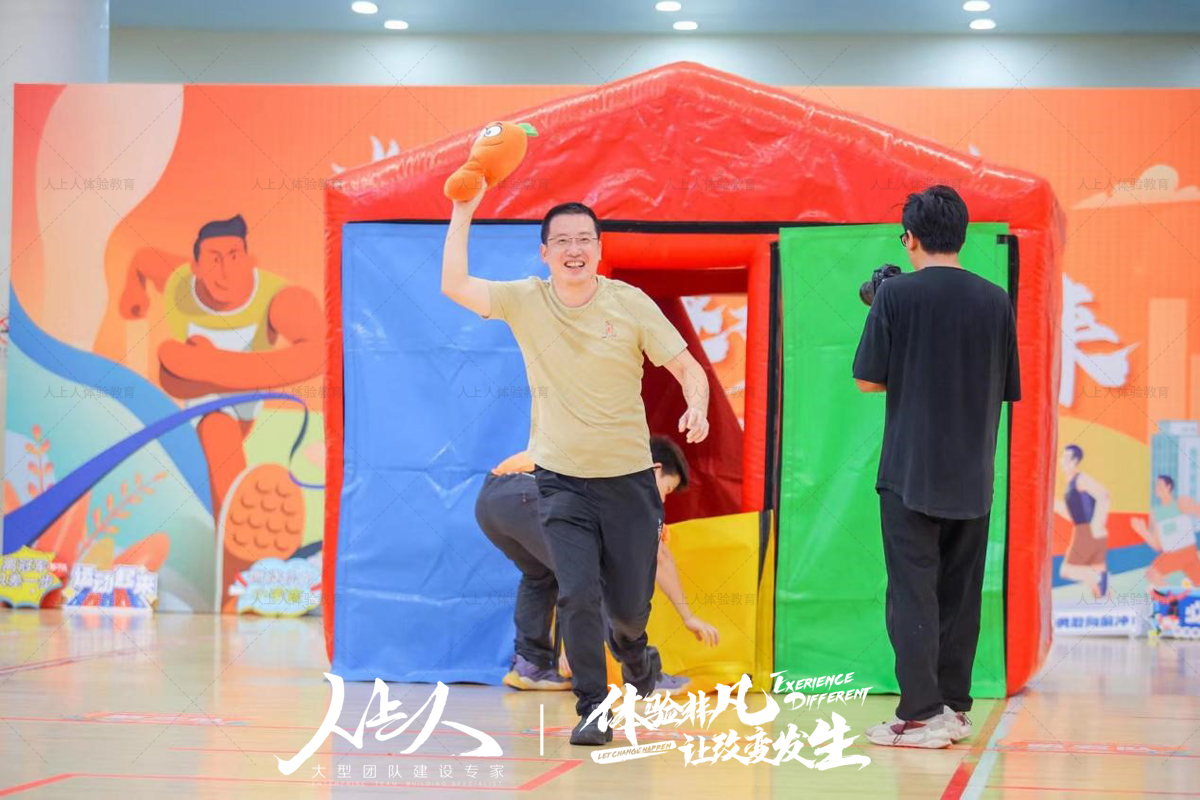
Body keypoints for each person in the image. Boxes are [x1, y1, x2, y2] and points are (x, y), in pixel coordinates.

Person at [441, 188, 710, 745]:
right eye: (561, 240)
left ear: (599, 249)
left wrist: (698, 405)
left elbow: (688, 367)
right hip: (561, 481)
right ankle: (593, 706)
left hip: (629, 482)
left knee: (628, 612)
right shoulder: (525, 299)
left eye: (584, 239)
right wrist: (463, 211)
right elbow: (455, 286)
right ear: (544, 253)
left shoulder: (629, 303)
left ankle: (636, 656)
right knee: (577, 594)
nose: (573, 249)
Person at [853, 185, 1020, 749]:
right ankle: (954, 709)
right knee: (961, 594)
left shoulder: (896, 295)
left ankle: (921, 716)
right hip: (973, 474)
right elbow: (1004, 387)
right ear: (961, 235)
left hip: (910, 473)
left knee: (912, 594)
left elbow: (868, 379)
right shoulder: (996, 300)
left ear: (910, 238)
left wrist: (886, 312)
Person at [119, 215, 323, 609]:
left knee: (179, 368)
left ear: (250, 260)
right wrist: (133, 289)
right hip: (204, 414)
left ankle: (249, 579)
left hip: (243, 405)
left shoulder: (277, 299)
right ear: (195, 265)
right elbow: (143, 259)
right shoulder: (180, 283)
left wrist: (208, 366)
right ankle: (239, 580)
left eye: (234, 256)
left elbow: (315, 352)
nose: (225, 270)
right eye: (213, 259)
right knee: (215, 429)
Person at [474, 436, 721, 694]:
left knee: (540, 574)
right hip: (527, 492)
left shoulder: (606, 459)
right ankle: (642, 676)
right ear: (655, 468)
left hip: (491, 500)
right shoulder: (629, 481)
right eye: (667, 489)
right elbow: (659, 557)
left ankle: (531, 665)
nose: (663, 500)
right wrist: (688, 616)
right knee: (602, 575)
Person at [1054, 445, 1111, 598]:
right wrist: (1054, 505)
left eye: (1067, 457)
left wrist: (1097, 524)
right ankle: (1101, 582)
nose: (1063, 461)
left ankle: (1098, 577)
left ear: (1075, 461)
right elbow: (1073, 513)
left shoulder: (1081, 479)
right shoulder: (1070, 482)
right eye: (1063, 457)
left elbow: (1103, 495)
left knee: (1066, 571)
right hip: (1085, 530)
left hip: (1087, 531)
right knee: (1099, 591)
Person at [1131, 475, 1200, 587]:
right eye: (1156, 486)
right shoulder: (1155, 514)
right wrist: (1142, 531)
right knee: (1151, 574)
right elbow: (1158, 546)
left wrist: (1193, 506)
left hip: (1188, 553)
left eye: (1160, 485)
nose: (1156, 488)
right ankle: (1172, 594)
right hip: (1170, 556)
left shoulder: (1180, 503)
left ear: (1169, 487)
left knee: (1198, 584)